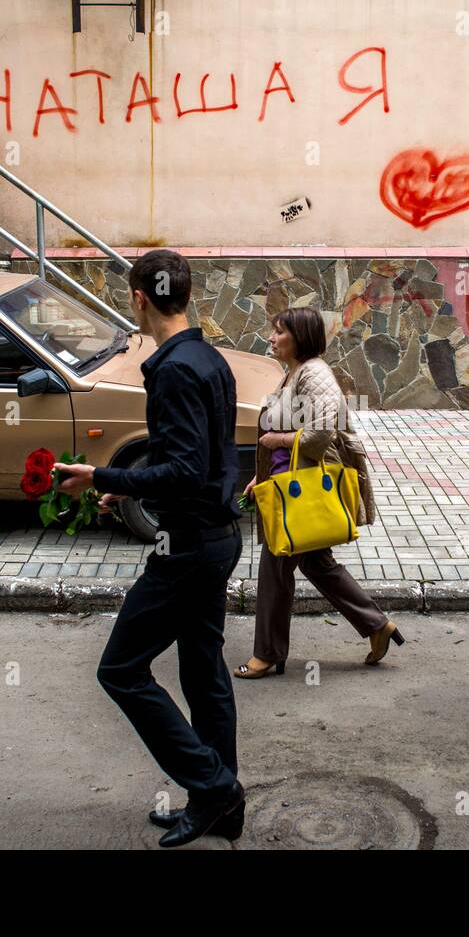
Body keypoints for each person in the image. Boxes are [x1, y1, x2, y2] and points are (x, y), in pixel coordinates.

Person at [53, 250, 246, 848]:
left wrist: (101, 478)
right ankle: (220, 805)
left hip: (187, 548)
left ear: (139, 298)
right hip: (213, 536)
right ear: (183, 294)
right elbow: (207, 459)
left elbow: (185, 468)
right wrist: (131, 495)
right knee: (203, 672)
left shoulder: (173, 369)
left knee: (121, 670)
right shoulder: (208, 357)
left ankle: (214, 788)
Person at [234, 306, 403, 679]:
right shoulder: (295, 372)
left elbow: (318, 434)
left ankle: (267, 654)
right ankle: (377, 625)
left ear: (300, 337)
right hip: (290, 484)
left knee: (275, 567)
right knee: (315, 563)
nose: (271, 337)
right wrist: (262, 477)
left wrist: (276, 438)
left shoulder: (315, 374)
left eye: (278, 331)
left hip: (303, 489)